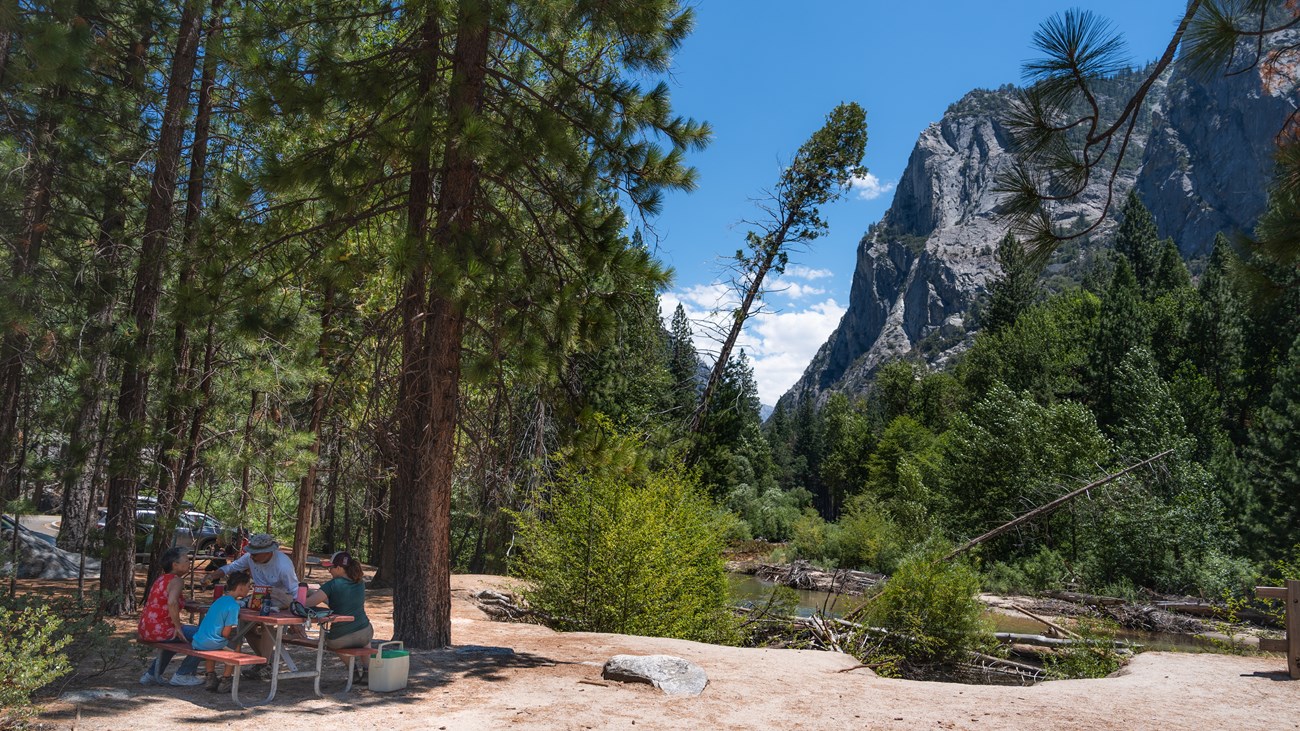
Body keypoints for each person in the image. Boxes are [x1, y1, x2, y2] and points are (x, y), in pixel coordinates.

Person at [200, 532, 300, 674]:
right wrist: (212, 575)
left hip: (279, 598)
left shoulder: (283, 565)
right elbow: (231, 567)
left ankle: (264, 664)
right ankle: (264, 662)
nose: (252, 556)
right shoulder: (250, 558)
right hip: (258, 597)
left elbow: (294, 590)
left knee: (267, 624)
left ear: (268, 552)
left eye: (255, 554)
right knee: (246, 627)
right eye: (251, 553)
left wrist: (296, 620)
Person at [137, 547, 205, 687]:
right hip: (162, 629)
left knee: (171, 643)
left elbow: (165, 600)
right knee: (205, 637)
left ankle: (151, 674)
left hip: (147, 628)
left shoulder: (162, 579)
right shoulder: (177, 581)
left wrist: (184, 602)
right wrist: (178, 626)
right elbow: (171, 602)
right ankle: (183, 674)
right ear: (175, 565)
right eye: (186, 561)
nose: (189, 563)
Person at [305, 550, 372, 677]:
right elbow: (342, 602)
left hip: (340, 638)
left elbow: (307, 604)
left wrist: (289, 598)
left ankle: (352, 670)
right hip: (364, 632)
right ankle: (367, 671)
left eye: (331, 567)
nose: (329, 571)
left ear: (340, 568)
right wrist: (322, 596)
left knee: (333, 642)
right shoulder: (360, 582)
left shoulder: (332, 584)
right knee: (365, 639)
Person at [194, 570, 253, 693]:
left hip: (200, 640)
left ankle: (210, 676)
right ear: (240, 587)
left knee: (212, 647)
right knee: (236, 644)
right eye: (248, 586)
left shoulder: (219, 601)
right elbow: (226, 633)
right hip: (211, 643)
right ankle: (226, 679)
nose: (249, 589)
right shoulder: (233, 606)